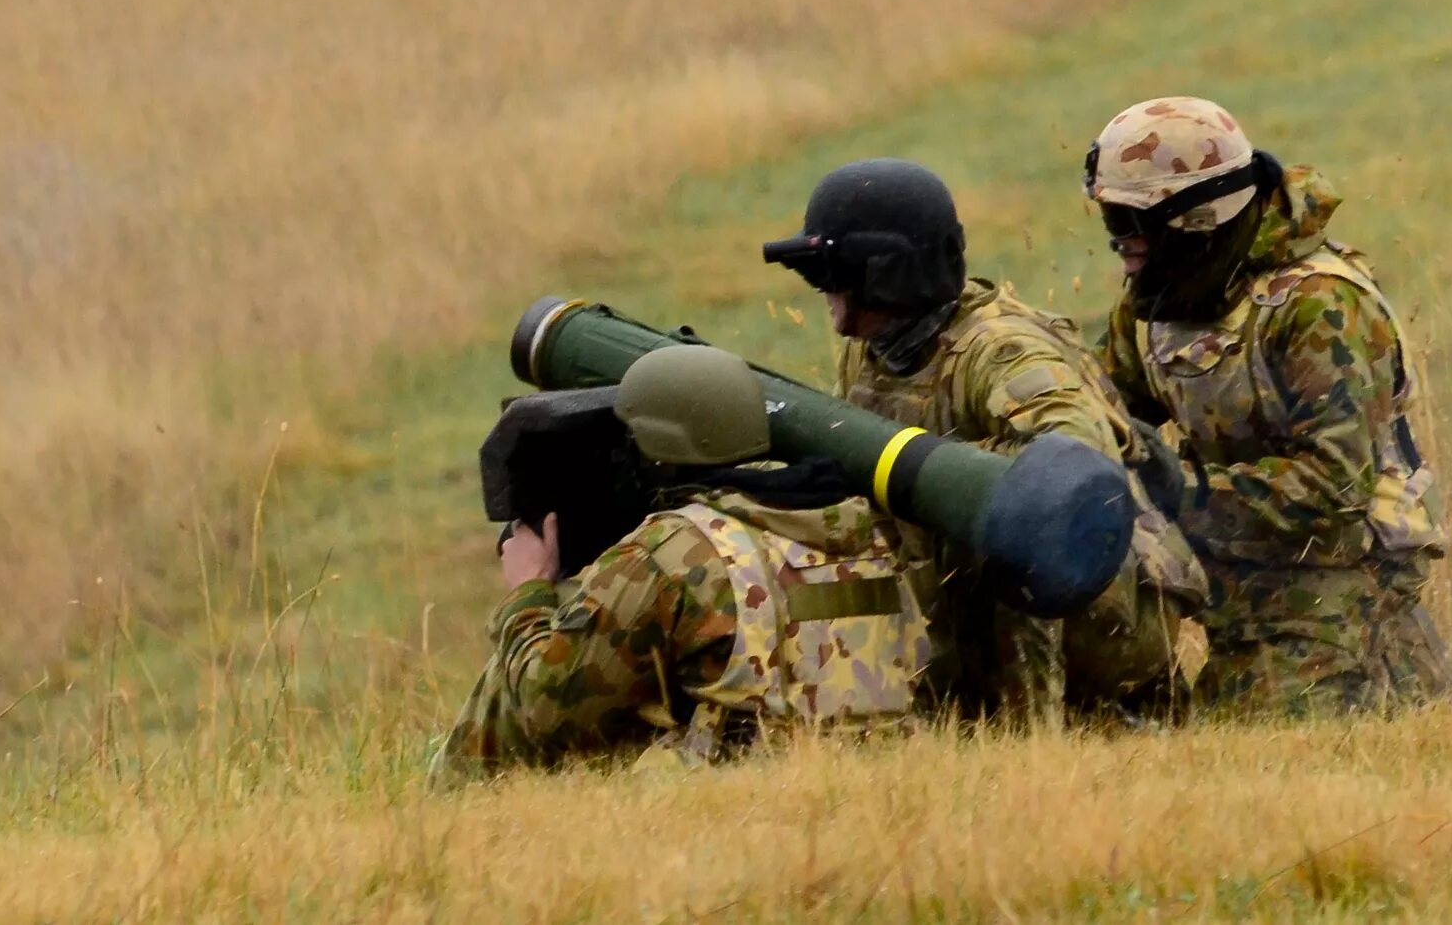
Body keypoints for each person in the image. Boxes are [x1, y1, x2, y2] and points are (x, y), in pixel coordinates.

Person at [764, 158, 1207, 727]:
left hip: (1103, 610)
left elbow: (1075, 475)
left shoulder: (1002, 352)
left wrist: (930, 474)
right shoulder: (871, 350)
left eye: (829, 274)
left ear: (885, 275)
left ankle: (1034, 735)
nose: (822, 294)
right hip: (966, 615)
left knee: (1006, 518)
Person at [1083, 95, 1452, 713]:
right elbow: (1101, 409)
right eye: (1111, 221)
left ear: (1195, 219)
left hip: (1344, 588)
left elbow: (1336, 487)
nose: (1121, 244)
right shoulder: (1157, 304)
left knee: (1246, 746)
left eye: (1131, 222)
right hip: (1237, 583)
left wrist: (1175, 490)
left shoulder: (1319, 307)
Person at [435, 344, 928, 775]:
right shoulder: (857, 528)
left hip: (739, 798)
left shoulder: (673, 552)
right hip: (875, 776)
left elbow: (546, 709)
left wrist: (530, 590)